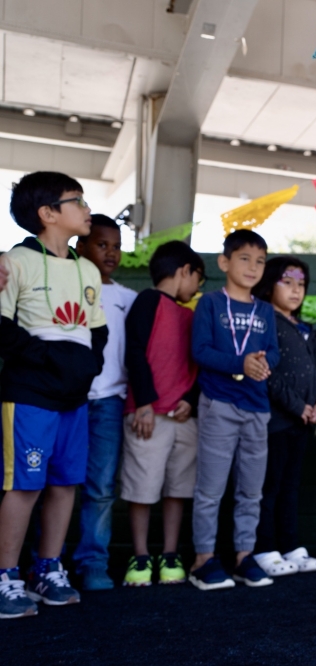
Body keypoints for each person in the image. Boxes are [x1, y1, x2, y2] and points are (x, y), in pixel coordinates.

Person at [0, 172, 108, 618]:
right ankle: (6, 575)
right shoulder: (14, 261)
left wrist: (87, 367)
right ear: (47, 214)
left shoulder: (87, 269)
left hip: (75, 397)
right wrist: (45, 357)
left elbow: (96, 331)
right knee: (24, 484)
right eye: (77, 201)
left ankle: (48, 568)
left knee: (65, 483)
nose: (86, 209)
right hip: (30, 394)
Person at [188, 229, 279, 590]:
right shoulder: (210, 303)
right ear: (224, 262)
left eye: (260, 261)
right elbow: (201, 351)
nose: (253, 266)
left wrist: (260, 362)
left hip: (257, 408)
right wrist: (242, 363)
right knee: (210, 489)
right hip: (219, 404)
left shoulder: (265, 309)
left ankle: (243, 555)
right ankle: (203, 559)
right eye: (244, 258)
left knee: (251, 491)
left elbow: (272, 351)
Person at [119, 241, 204, 587]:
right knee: (142, 487)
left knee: (178, 489)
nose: (198, 287)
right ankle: (140, 555)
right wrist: (144, 403)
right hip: (147, 415)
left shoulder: (193, 314)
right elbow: (135, 352)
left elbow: (198, 365)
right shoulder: (147, 301)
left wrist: (191, 400)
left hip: (184, 417)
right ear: (184, 270)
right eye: (198, 278)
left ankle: (170, 554)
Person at [71, 214, 137, 591]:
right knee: (56, 484)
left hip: (110, 403)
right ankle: (46, 562)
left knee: (100, 488)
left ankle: (93, 562)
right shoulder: (67, 287)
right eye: (101, 244)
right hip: (68, 400)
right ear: (81, 245)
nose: (111, 252)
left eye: (116, 245)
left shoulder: (128, 299)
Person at [250, 256, 316, 576]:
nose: (297, 290)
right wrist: (298, 406)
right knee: (269, 487)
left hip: (303, 424)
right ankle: (264, 548)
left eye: (302, 284)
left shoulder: (306, 328)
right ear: (269, 284)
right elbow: (267, 374)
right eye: (288, 282)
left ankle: (290, 545)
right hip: (276, 422)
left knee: (291, 486)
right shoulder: (264, 320)